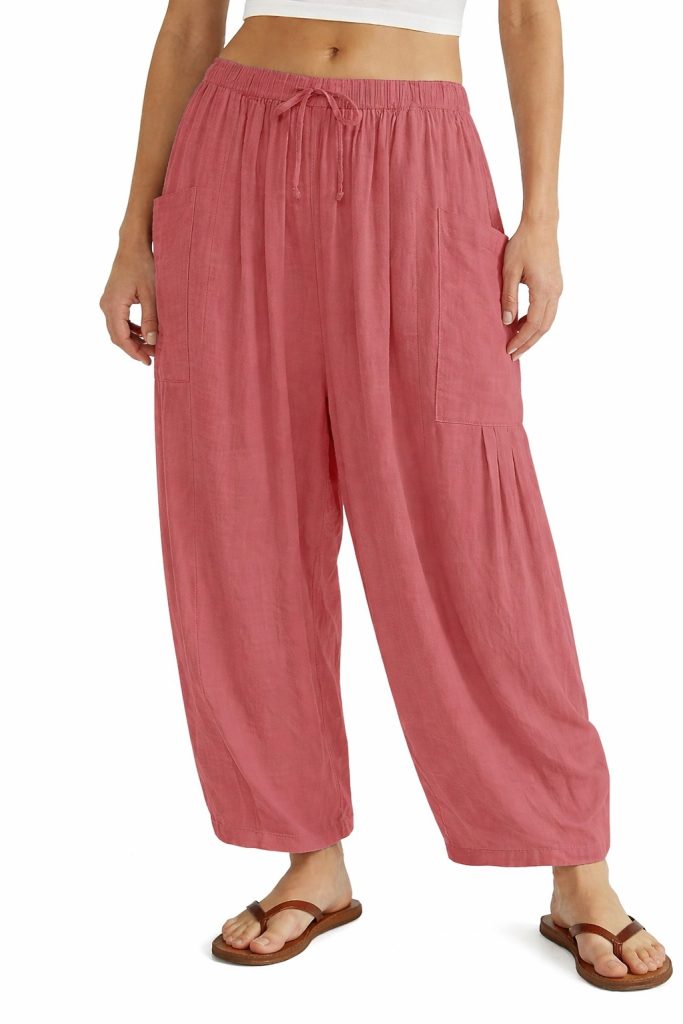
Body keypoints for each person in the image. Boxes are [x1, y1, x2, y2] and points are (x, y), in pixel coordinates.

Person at [100, 0, 671, 987]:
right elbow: (191, 23)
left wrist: (539, 216)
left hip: (418, 157)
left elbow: (527, 16)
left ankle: (576, 864)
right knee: (240, 512)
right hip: (235, 151)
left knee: (469, 524)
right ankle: (307, 857)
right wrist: (131, 234)